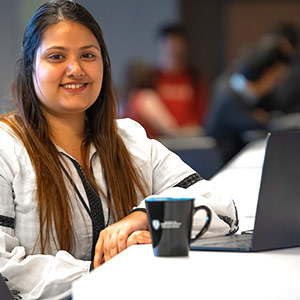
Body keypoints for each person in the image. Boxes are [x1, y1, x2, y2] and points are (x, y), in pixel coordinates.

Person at [0, 1, 238, 299]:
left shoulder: (129, 139)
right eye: (56, 56)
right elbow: (5, 268)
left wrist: (145, 218)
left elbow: (224, 212)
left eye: (88, 55)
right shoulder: (6, 147)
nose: (75, 69)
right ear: (29, 66)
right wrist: (107, 269)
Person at [204, 36, 292, 162]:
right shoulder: (228, 97)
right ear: (266, 73)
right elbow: (264, 125)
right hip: (220, 166)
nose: (276, 85)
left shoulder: (234, 85)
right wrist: (260, 118)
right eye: (276, 78)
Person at [124, 23, 208, 139]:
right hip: (159, 143)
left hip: (190, 140)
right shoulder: (148, 83)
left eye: (178, 45)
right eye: (169, 46)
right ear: (159, 47)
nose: (174, 51)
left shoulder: (195, 79)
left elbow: (203, 118)